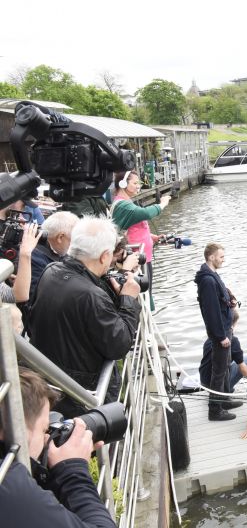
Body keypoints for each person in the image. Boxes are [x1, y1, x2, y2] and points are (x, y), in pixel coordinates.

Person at [28, 217, 142, 417]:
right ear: (105, 255)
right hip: (82, 395)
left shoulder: (51, 270)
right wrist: (128, 300)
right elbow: (119, 344)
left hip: (55, 385)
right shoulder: (91, 295)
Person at [0, 367, 116, 528]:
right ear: (17, 429)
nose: (47, 437)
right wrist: (72, 471)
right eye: (43, 429)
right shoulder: (9, 485)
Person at [195, 242, 240, 421]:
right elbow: (211, 311)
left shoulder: (213, 275)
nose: (223, 260)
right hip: (220, 333)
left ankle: (224, 399)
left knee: (226, 367)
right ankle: (215, 410)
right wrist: (221, 336)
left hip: (226, 327)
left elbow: (221, 297)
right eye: (221, 257)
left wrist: (230, 300)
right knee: (219, 370)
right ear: (211, 257)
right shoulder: (206, 280)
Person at [110, 169, 171, 294]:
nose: (138, 186)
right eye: (135, 183)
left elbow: (134, 227)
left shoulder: (127, 202)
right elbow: (146, 213)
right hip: (136, 258)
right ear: (123, 184)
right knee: (143, 293)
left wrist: (151, 237)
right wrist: (162, 204)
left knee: (148, 291)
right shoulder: (122, 205)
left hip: (144, 255)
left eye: (139, 183)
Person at [199, 307, 247, 396]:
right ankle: (227, 390)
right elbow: (243, 369)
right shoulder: (233, 341)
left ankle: (226, 387)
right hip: (217, 387)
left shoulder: (210, 338)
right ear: (233, 324)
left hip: (204, 382)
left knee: (234, 360)